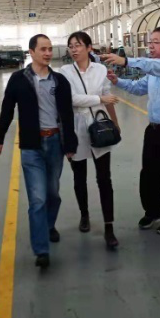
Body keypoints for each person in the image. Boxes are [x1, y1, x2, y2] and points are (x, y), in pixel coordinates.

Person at [0, 34, 78, 269]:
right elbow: (7, 109)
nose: (48, 53)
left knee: (53, 194)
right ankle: (41, 250)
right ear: (31, 52)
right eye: (43, 49)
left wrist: (70, 144)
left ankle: (48, 225)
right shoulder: (18, 80)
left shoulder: (59, 81)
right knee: (38, 198)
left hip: (55, 143)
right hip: (32, 146)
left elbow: (67, 115)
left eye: (50, 49)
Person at [102, 27, 160, 235]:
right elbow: (138, 87)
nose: (150, 46)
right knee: (149, 175)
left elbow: (153, 66)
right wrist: (117, 81)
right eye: (149, 42)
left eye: (154, 42)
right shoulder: (155, 71)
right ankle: (153, 211)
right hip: (155, 131)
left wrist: (126, 61)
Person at [61, 32, 120, 249]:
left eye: (78, 45)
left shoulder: (101, 70)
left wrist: (115, 123)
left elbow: (109, 98)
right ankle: (84, 215)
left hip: (99, 127)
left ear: (88, 47)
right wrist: (98, 99)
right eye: (71, 46)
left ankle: (109, 227)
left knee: (104, 178)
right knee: (79, 177)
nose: (74, 49)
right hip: (76, 129)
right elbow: (70, 99)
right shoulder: (65, 72)